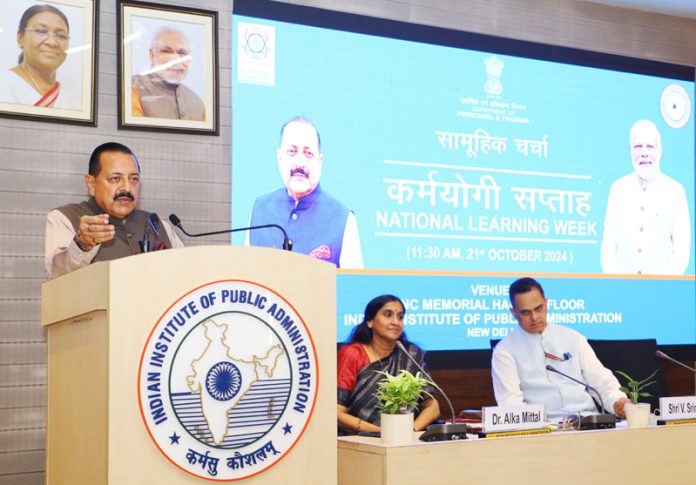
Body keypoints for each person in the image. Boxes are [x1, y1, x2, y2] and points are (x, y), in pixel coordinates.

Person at [491, 277, 629, 419]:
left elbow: (602, 381)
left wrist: (617, 402)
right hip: (545, 429)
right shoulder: (504, 351)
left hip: (588, 421)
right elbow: (510, 404)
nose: (534, 317)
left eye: (539, 308)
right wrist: (536, 422)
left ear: (546, 303)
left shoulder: (573, 338)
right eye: (525, 312)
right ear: (513, 313)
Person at [44, 142, 184, 279]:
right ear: (91, 184)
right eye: (115, 178)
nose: (127, 188)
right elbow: (56, 274)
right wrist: (82, 244)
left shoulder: (156, 224)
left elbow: (187, 272)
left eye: (133, 179)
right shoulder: (65, 218)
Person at [247, 116, 364, 268]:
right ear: (279, 157)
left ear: (320, 161)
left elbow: (353, 288)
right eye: (292, 151)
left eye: (308, 153)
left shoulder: (343, 218)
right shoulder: (260, 209)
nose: (300, 163)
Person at [337, 295, 440, 433]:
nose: (395, 322)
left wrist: (409, 431)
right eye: (388, 315)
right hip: (359, 440)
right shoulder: (352, 354)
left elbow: (433, 407)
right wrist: (380, 432)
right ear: (370, 321)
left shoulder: (410, 354)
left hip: (404, 440)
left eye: (400, 317)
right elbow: (336, 412)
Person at [600, 119, 691, 275]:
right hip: (622, 290)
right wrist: (620, 282)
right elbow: (608, 248)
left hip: (663, 292)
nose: (644, 153)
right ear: (630, 151)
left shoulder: (675, 192)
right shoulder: (618, 189)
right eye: (638, 147)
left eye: (650, 146)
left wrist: (656, 286)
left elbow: (681, 254)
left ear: (659, 150)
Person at [0, 4, 80, 109]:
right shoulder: (5, 85)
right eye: (41, 31)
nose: (52, 42)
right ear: (20, 38)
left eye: (60, 35)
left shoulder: (74, 100)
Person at [131, 27, 205, 121]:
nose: (176, 60)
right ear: (152, 55)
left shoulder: (197, 103)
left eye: (182, 53)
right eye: (167, 51)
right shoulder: (132, 88)